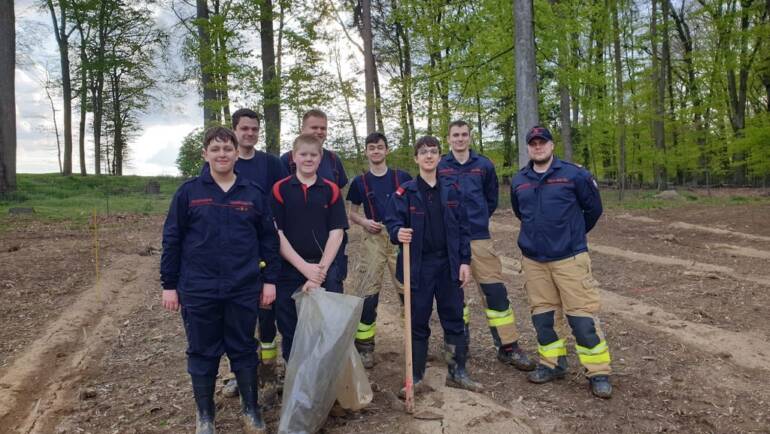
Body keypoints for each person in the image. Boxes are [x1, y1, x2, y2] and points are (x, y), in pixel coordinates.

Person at [161, 126, 279, 433]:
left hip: (243, 286)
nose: (222, 154)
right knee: (202, 351)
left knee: (243, 348)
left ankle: (251, 411)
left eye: (228, 149)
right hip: (199, 288)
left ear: (237, 153)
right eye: (215, 149)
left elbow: (268, 240)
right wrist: (169, 285)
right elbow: (172, 239)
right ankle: (205, 416)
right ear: (205, 154)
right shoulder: (189, 193)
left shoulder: (252, 193)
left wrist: (269, 281)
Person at [510, 126, 612, 398]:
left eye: (542, 142)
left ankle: (598, 372)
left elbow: (593, 210)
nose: (538, 147)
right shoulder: (519, 180)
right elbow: (522, 213)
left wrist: (571, 234)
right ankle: (553, 364)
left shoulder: (574, 175)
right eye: (533, 143)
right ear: (528, 148)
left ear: (552, 145)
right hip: (534, 261)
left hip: (570, 259)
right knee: (543, 318)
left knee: (582, 318)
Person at [384, 135, 483, 396]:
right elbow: (392, 222)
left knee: (454, 318)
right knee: (417, 320)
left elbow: (464, 229)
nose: (429, 156)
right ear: (416, 158)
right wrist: (397, 232)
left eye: (433, 152)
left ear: (440, 157)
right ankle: (415, 376)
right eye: (423, 152)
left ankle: (457, 372)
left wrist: (464, 262)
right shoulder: (405, 192)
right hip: (418, 265)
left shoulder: (452, 189)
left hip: (448, 264)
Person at [438, 120, 535, 371]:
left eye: (464, 134)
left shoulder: (484, 166)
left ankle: (508, 347)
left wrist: (476, 219)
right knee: (454, 295)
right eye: (455, 135)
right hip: (448, 241)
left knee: (495, 292)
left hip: (478, 238)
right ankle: (460, 345)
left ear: (470, 137)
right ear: (448, 139)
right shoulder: (440, 166)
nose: (460, 139)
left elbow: (490, 199)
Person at [206, 109, 287, 397]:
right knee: (235, 316)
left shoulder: (272, 164)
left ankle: (268, 371)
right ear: (235, 130)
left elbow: (282, 199)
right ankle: (235, 373)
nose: (250, 133)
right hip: (232, 252)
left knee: (267, 313)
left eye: (254, 129)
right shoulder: (223, 162)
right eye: (244, 129)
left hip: (265, 247)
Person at [271, 133, 349, 360]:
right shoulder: (279, 190)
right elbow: (277, 233)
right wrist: (304, 268)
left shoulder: (331, 190)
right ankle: (295, 382)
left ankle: (325, 385)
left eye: (313, 155)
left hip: (326, 270)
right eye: (303, 154)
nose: (308, 159)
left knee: (328, 327)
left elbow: (337, 231)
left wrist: (318, 273)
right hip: (289, 270)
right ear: (293, 157)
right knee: (290, 329)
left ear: (320, 157)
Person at [346, 132, 412, 368]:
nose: (376, 151)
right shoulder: (359, 182)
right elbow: (351, 212)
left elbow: (415, 205)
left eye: (380, 147)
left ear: (387, 150)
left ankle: (414, 342)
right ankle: (365, 347)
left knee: (407, 288)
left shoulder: (402, 177)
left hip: (398, 238)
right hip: (372, 239)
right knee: (368, 290)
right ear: (366, 151)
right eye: (371, 147)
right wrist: (364, 222)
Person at [280, 109, 350, 292]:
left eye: (323, 128)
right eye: (314, 127)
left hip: (329, 251)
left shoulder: (334, 160)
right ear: (302, 129)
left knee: (329, 310)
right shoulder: (285, 161)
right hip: (292, 255)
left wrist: (321, 270)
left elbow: (338, 197)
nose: (319, 131)